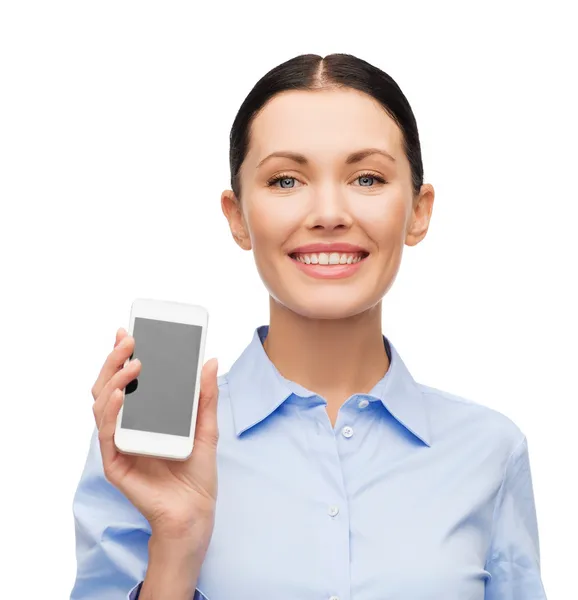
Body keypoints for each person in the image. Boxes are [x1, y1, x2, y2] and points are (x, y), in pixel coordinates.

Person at [70, 53, 547, 600]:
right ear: (236, 216)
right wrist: (176, 543)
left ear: (418, 210)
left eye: (367, 177)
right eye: (286, 180)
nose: (328, 212)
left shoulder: (489, 451)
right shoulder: (150, 450)